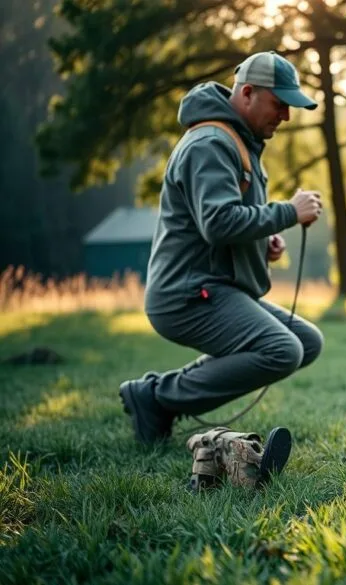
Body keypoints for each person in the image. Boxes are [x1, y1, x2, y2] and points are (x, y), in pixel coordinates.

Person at [119, 51, 326, 445]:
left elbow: (224, 223)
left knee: (306, 342)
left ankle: (159, 396)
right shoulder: (211, 143)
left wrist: (263, 243)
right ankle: (157, 398)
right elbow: (217, 223)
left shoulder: (239, 142)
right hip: (186, 293)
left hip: (216, 285)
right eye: (279, 104)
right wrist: (288, 212)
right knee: (281, 349)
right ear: (247, 93)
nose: (286, 116)